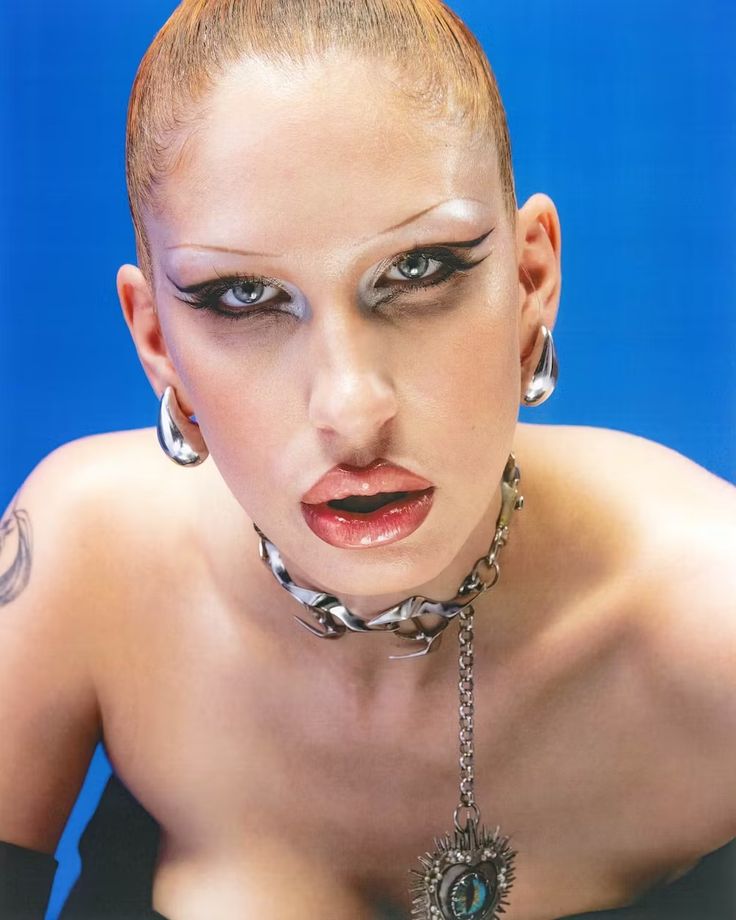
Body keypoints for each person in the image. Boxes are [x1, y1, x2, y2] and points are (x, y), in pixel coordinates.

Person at [1, 1, 734, 918]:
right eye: (242, 296)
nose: (351, 412)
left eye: (420, 271)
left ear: (531, 281)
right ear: (156, 340)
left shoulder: (714, 618)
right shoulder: (84, 561)